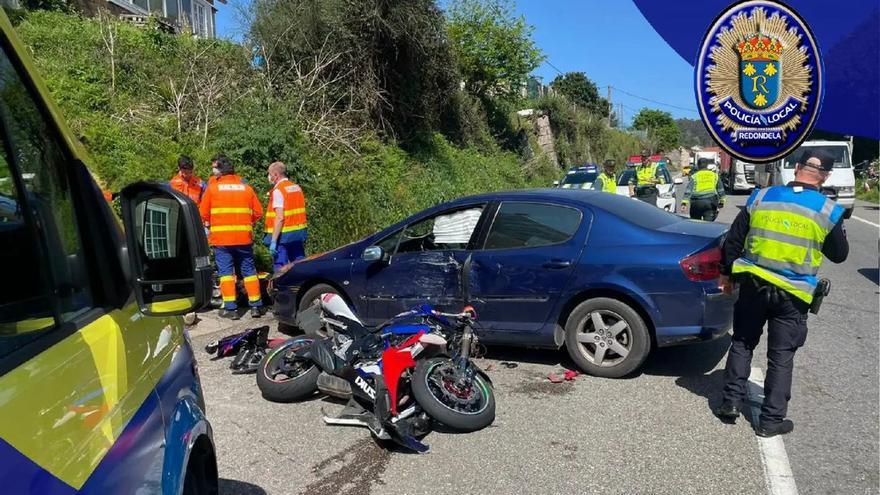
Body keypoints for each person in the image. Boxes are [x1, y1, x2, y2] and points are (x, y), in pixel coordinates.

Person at [715, 150, 848, 437]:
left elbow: (733, 241)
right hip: (793, 294)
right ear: (825, 176)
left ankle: (730, 403)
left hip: (753, 285)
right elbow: (840, 255)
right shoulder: (827, 210)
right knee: (781, 357)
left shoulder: (761, 197)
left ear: (796, 168)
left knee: (742, 343)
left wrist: (726, 275)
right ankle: (770, 422)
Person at [199, 155, 265, 320]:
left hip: (222, 240)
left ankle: (231, 309)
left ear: (220, 171)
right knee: (249, 272)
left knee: (226, 274)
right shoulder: (246, 188)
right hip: (244, 238)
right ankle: (256, 306)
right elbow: (258, 212)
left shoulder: (213, 189)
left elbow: (203, 213)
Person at [264, 161, 308, 270]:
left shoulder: (278, 190)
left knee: (280, 267)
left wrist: (273, 240)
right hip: (297, 234)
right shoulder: (296, 188)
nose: (268, 177)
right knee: (300, 264)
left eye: (269, 174)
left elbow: (279, 217)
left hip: (283, 236)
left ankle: (281, 287)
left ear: (275, 175)